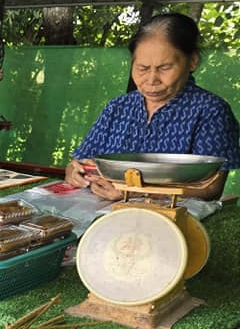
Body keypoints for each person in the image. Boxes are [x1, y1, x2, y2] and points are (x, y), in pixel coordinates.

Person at [65, 12, 239, 201]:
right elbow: (80, 162)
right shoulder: (117, 107)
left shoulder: (211, 111)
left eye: (164, 68)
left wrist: (134, 193)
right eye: (142, 68)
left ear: (193, 61)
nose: (151, 80)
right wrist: (74, 171)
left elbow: (210, 189)